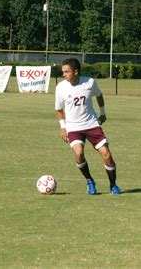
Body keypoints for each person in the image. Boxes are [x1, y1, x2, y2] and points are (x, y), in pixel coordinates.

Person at [55, 58, 122, 195]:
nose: (64, 74)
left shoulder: (90, 82)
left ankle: (113, 185)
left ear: (76, 71)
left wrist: (103, 113)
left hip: (92, 124)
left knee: (106, 154)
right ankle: (89, 181)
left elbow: (99, 95)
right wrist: (63, 127)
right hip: (73, 127)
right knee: (79, 154)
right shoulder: (60, 87)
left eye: (66, 72)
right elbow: (59, 109)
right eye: (63, 72)